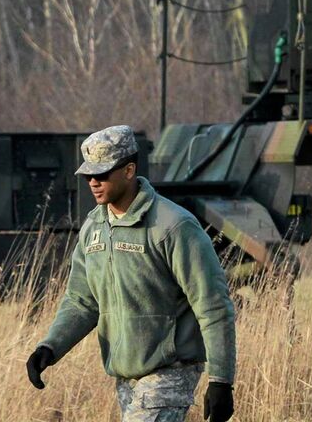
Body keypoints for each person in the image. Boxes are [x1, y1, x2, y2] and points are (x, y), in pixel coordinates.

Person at [26, 125, 237, 422]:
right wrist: (50, 347)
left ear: (128, 170)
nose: (93, 182)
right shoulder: (93, 229)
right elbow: (81, 301)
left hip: (170, 372)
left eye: (102, 174)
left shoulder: (172, 226)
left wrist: (221, 380)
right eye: (88, 175)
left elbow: (213, 305)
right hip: (126, 377)